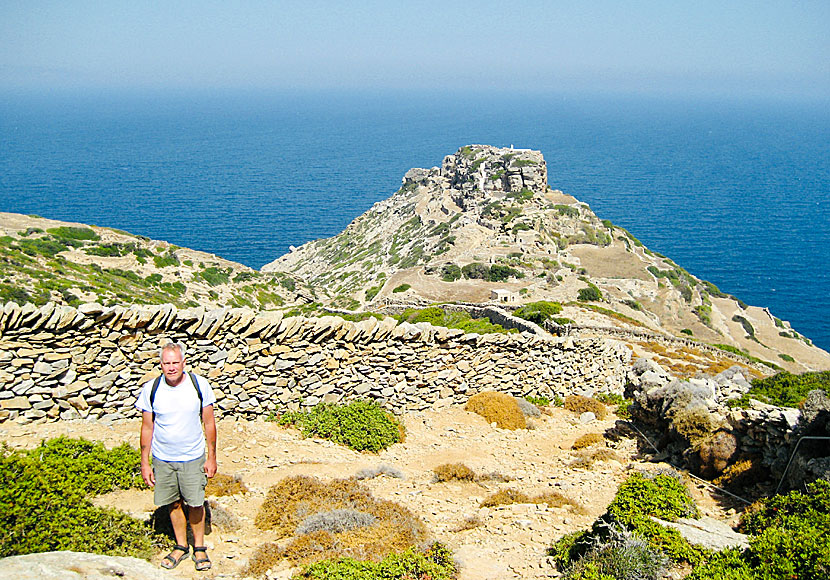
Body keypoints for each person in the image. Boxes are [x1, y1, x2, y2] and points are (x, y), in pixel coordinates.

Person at [136, 341, 218, 571]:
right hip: (163, 458)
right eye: (166, 363)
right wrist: (145, 462)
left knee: (195, 503)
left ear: (183, 362)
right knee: (173, 503)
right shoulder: (151, 389)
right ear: (160, 365)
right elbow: (146, 428)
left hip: (192, 456)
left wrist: (211, 457)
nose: (171, 367)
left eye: (175, 362)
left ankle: (199, 547)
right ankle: (181, 546)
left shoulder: (198, 385)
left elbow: (209, 423)